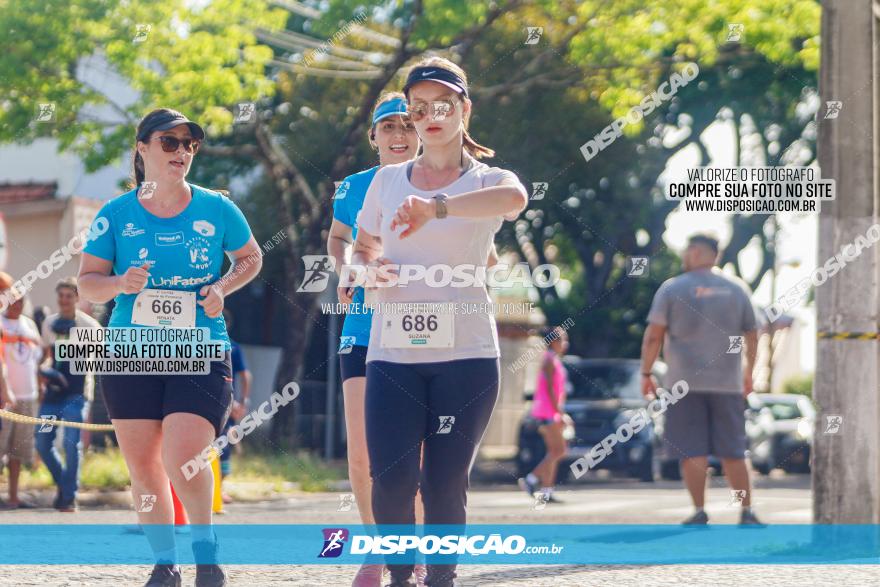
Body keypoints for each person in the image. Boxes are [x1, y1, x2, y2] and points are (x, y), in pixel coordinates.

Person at [351, 57, 528, 587]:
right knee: (392, 478)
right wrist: (368, 270)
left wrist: (437, 208)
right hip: (393, 355)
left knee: (445, 480)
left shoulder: (488, 179)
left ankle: (441, 579)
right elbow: (361, 249)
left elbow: (515, 200)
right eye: (418, 107)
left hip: (467, 357)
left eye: (442, 105)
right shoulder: (385, 181)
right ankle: (402, 578)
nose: (429, 116)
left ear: (464, 110)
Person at [78, 108, 262, 587]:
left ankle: (205, 550)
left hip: (199, 348)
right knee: (142, 465)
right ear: (142, 148)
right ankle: (165, 561)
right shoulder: (114, 214)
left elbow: (250, 258)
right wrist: (119, 282)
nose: (181, 151)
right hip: (129, 352)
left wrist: (223, 287)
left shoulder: (217, 207)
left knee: (185, 455)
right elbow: (87, 286)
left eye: (189, 144)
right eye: (169, 142)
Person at [328, 92, 422, 587]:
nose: (400, 135)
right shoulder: (355, 187)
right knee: (363, 451)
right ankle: (375, 549)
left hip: (423, 329)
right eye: (389, 127)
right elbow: (339, 238)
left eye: (408, 124)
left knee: (420, 454)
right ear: (374, 137)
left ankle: (420, 550)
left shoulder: (441, 182)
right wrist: (349, 266)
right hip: (363, 329)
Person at [640, 233, 763, 526]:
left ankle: (699, 511)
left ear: (695, 252)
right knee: (733, 450)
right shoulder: (737, 289)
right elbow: (753, 335)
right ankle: (746, 512)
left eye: (687, 250)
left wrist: (646, 373)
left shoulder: (672, 289)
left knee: (692, 450)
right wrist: (749, 373)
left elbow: (654, 335)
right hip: (728, 383)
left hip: (683, 384)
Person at [37, 277, 101, 512]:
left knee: (71, 443)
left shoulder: (90, 327)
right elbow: (45, 353)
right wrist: (44, 368)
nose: (64, 300)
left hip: (77, 394)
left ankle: (69, 496)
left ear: (77, 298)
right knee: (42, 441)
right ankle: (65, 485)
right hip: (52, 396)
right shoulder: (49, 323)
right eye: (61, 296)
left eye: (69, 296)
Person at [0, 273, 41, 510]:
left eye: (21, 301)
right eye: (13, 300)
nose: (17, 305)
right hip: (5, 398)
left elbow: (36, 360)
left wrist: (41, 386)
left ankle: (14, 497)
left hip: (28, 397)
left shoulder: (29, 325)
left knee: (19, 450)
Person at [518, 326, 569, 504]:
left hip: (550, 411)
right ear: (554, 342)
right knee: (560, 450)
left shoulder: (553, 359)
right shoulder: (549, 359)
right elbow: (549, 390)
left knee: (553, 452)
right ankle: (531, 479)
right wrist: (559, 413)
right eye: (563, 340)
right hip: (548, 412)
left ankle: (546, 491)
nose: (565, 344)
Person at [217, 309, 252, 504]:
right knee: (223, 445)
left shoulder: (231, 347)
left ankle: (217, 491)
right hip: (226, 403)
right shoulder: (233, 346)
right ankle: (217, 491)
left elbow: (245, 376)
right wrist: (243, 401)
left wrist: (240, 403)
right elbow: (246, 376)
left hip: (224, 403)